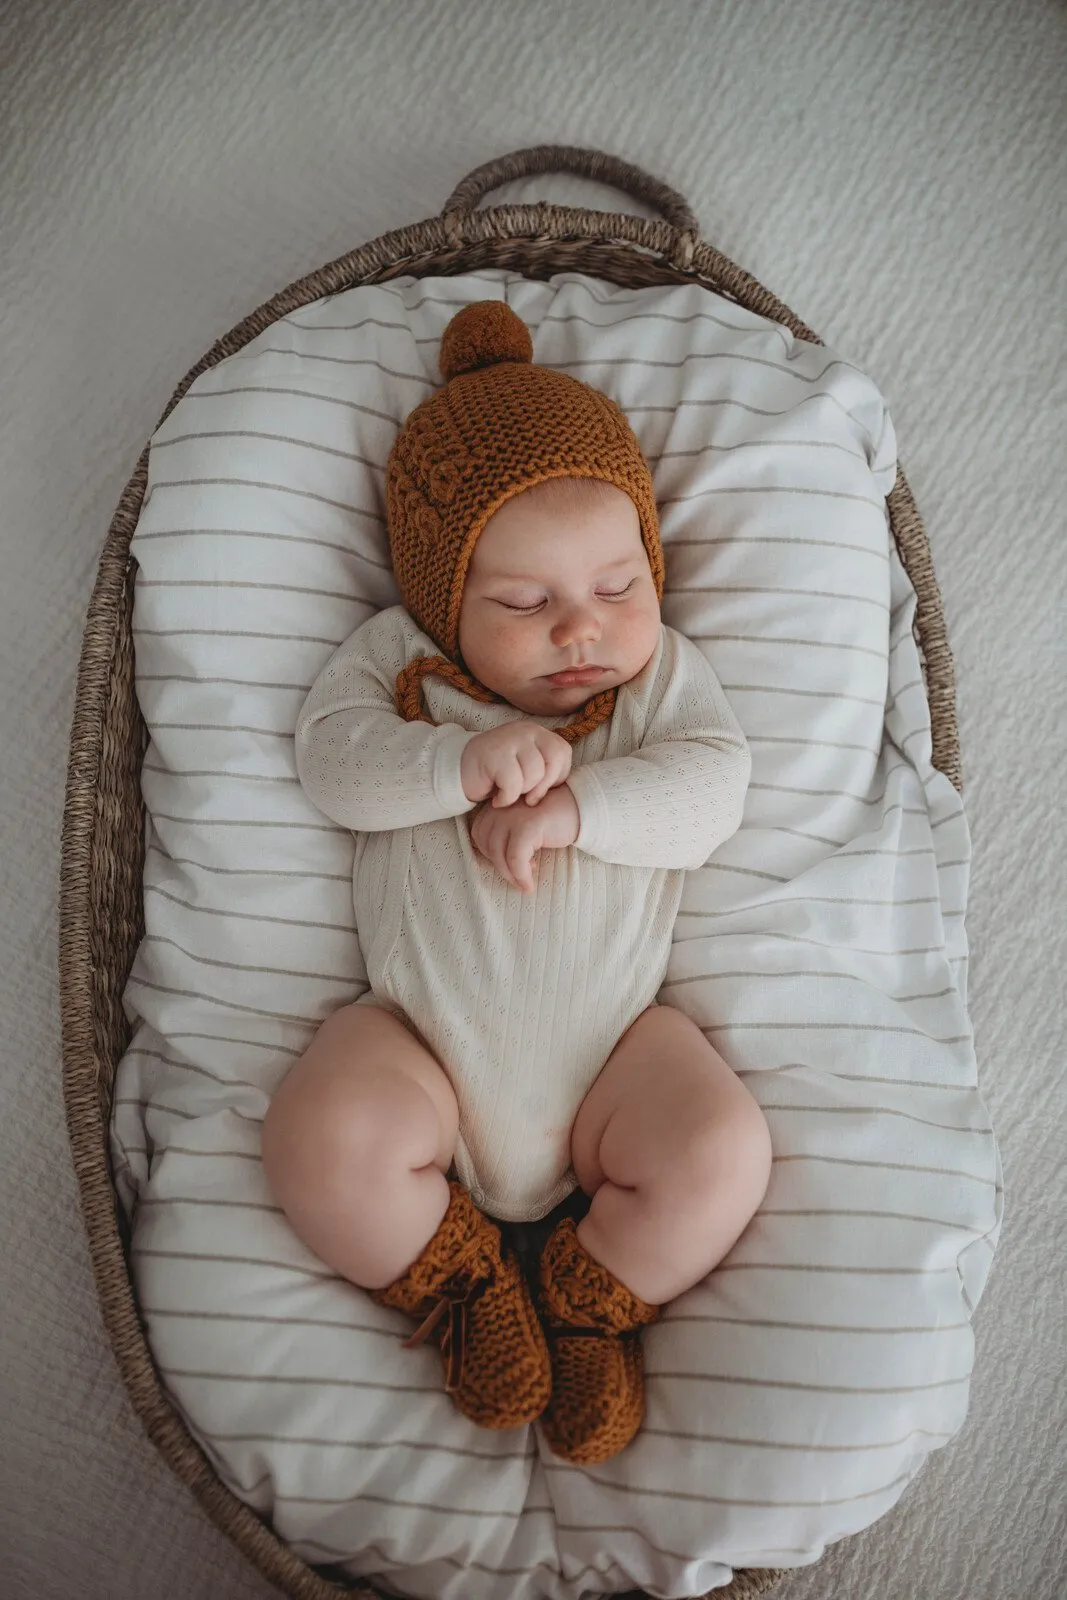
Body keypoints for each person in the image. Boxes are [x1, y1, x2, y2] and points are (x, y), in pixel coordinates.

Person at [261, 301, 772, 1466]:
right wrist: (455, 761)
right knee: (321, 1133)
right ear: (446, 595)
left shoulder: (654, 683)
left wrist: (583, 805)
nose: (579, 630)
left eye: (616, 585)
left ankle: (593, 1302)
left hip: (614, 1053)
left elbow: (712, 787)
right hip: (419, 1046)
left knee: (719, 1151)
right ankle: (464, 1287)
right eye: (524, 604)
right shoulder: (402, 663)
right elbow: (331, 765)